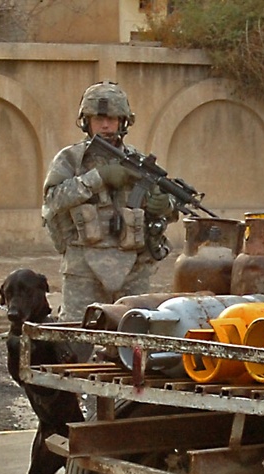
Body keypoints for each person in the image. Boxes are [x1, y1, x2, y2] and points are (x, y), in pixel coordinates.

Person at [41, 81, 177, 323]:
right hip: (83, 267)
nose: (105, 125)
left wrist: (165, 206)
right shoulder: (71, 159)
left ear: (123, 122)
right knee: (76, 338)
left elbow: (168, 207)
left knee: (136, 336)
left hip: (133, 268)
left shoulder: (138, 162)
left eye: (112, 119)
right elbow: (51, 202)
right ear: (86, 121)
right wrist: (98, 178)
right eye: (98, 119)